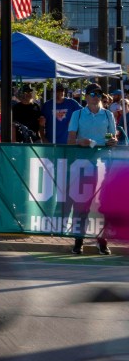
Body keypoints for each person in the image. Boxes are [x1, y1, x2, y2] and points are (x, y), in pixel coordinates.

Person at [68, 83, 118, 254]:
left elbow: (112, 137)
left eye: (98, 94)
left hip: (104, 164)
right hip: (83, 165)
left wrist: (113, 141)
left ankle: (102, 241)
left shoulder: (108, 114)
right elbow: (70, 141)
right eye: (92, 94)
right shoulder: (78, 114)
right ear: (86, 97)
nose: (96, 97)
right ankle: (78, 241)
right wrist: (79, 142)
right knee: (82, 204)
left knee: (102, 205)